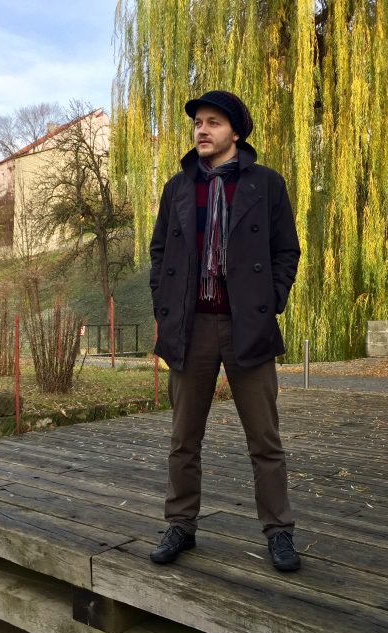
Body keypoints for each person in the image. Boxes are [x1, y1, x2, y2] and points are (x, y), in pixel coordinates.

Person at [148, 90, 301, 571]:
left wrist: (272, 299)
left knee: (265, 440)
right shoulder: (178, 187)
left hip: (247, 325)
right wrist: (164, 304)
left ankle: (279, 531)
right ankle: (181, 524)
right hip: (189, 327)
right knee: (183, 438)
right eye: (198, 122)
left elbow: (286, 250)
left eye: (213, 122)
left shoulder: (266, 184)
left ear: (235, 132)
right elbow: (159, 252)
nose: (201, 130)